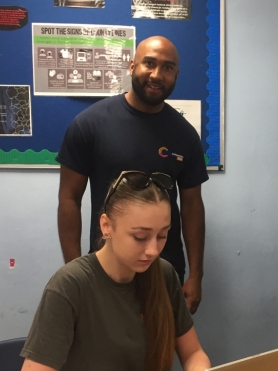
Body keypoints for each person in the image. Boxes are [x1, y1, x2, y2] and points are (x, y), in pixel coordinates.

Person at [17, 172, 211, 371]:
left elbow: (193, 353)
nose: (153, 250)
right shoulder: (70, 284)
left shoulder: (164, 275)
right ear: (106, 226)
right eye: (140, 237)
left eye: (162, 235)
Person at [57, 36, 208, 314]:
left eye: (167, 68)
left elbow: (192, 206)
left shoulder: (185, 135)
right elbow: (69, 199)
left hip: (165, 270)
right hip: (106, 270)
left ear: (176, 75)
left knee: (159, 354)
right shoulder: (89, 125)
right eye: (149, 64)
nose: (156, 75)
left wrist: (195, 276)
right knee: (106, 355)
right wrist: (74, 272)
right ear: (131, 66)